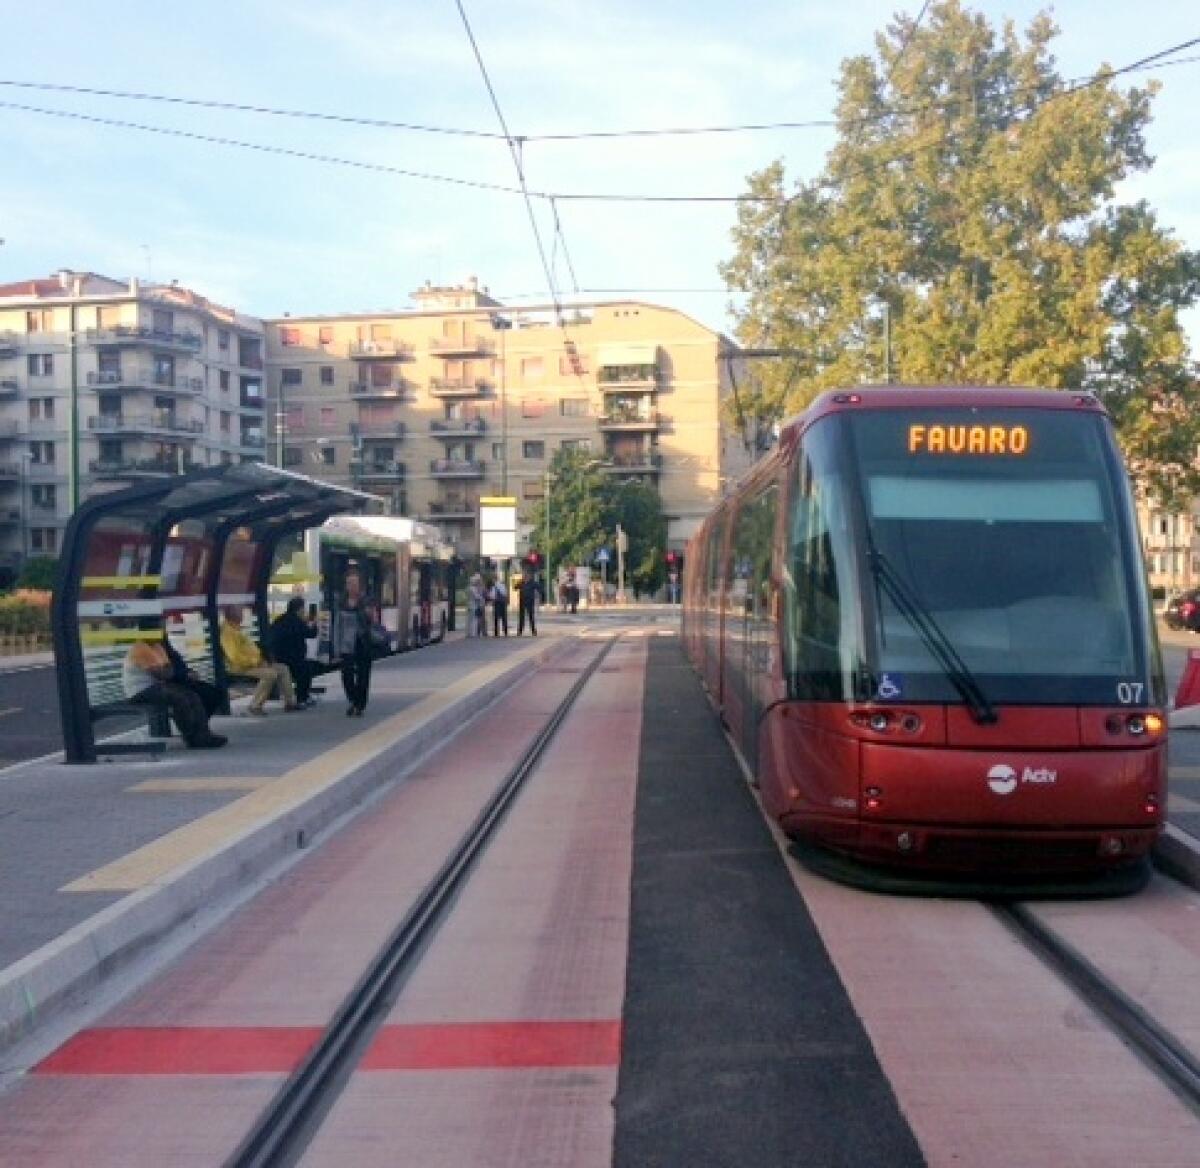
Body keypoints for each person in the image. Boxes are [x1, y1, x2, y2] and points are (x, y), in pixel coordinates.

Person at [123, 638, 226, 748]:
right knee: (180, 698)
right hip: (140, 690)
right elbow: (161, 674)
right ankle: (191, 737)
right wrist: (165, 671)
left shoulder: (158, 647)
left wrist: (166, 671)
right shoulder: (140, 649)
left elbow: (168, 670)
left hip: (156, 686)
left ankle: (203, 735)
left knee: (192, 695)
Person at [220, 605, 298, 715]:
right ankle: (255, 706)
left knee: (283, 668)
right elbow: (234, 657)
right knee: (270, 674)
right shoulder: (228, 633)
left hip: (255, 663)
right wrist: (256, 662)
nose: (242, 614)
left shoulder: (236, 627)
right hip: (240, 667)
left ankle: (290, 703)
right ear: (231, 615)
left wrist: (261, 660)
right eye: (239, 612)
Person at [269, 597, 319, 706]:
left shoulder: (279, 620)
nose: (304, 611)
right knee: (306, 670)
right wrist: (314, 623)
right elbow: (311, 634)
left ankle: (303, 697)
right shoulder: (297, 621)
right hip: (294, 658)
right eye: (303, 609)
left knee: (303, 668)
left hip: (279, 657)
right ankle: (302, 698)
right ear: (299, 609)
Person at [337, 568, 373, 716]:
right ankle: (352, 699)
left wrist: (362, 611)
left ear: (359, 585)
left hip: (363, 642)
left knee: (363, 675)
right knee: (346, 674)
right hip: (347, 643)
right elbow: (337, 624)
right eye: (349, 583)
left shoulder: (366, 600)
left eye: (354, 583)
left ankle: (359, 705)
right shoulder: (341, 601)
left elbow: (370, 620)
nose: (352, 586)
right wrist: (336, 646)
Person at [518, 571, 543, 636]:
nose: (525, 578)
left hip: (530, 601)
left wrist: (539, 594)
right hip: (522, 601)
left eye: (526, 576)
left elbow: (539, 588)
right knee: (521, 617)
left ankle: (533, 631)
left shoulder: (532, 583)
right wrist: (520, 581)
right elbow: (515, 587)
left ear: (529, 577)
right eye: (524, 577)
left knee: (531, 617)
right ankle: (520, 631)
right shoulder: (521, 583)